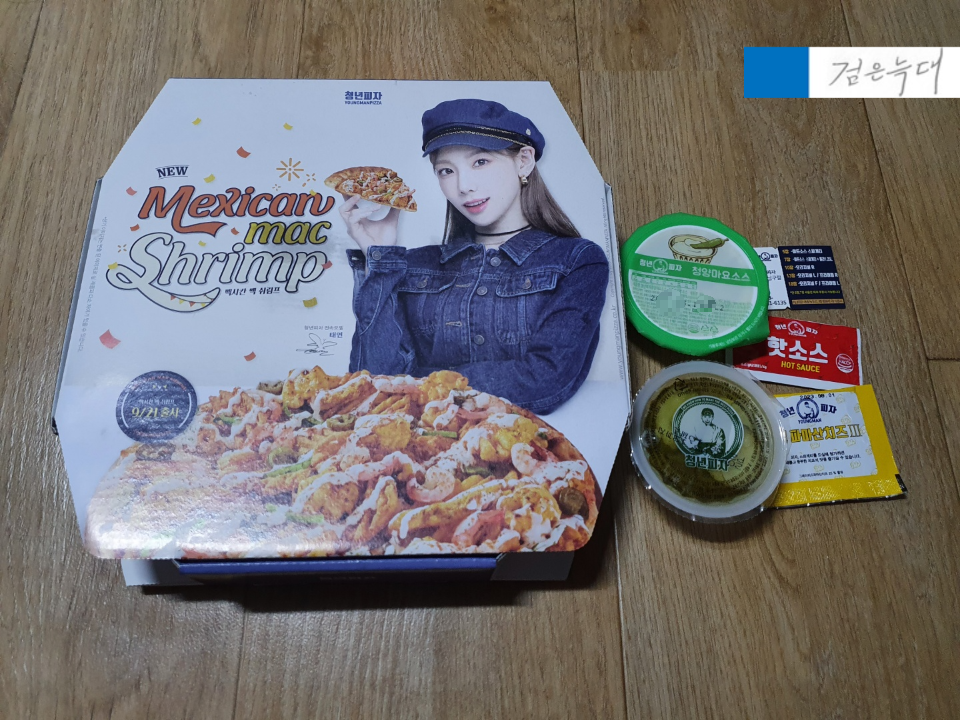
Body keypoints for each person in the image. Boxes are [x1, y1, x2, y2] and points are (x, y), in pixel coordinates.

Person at [341, 98, 609, 415]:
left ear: (524, 161)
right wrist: (380, 259)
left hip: (521, 442)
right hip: (419, 443)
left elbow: (545, 379)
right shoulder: (413, 266)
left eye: (480, 162)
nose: (464, 186)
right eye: (446, 170)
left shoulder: (577, 261)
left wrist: (414, 384)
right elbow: (372, 384)